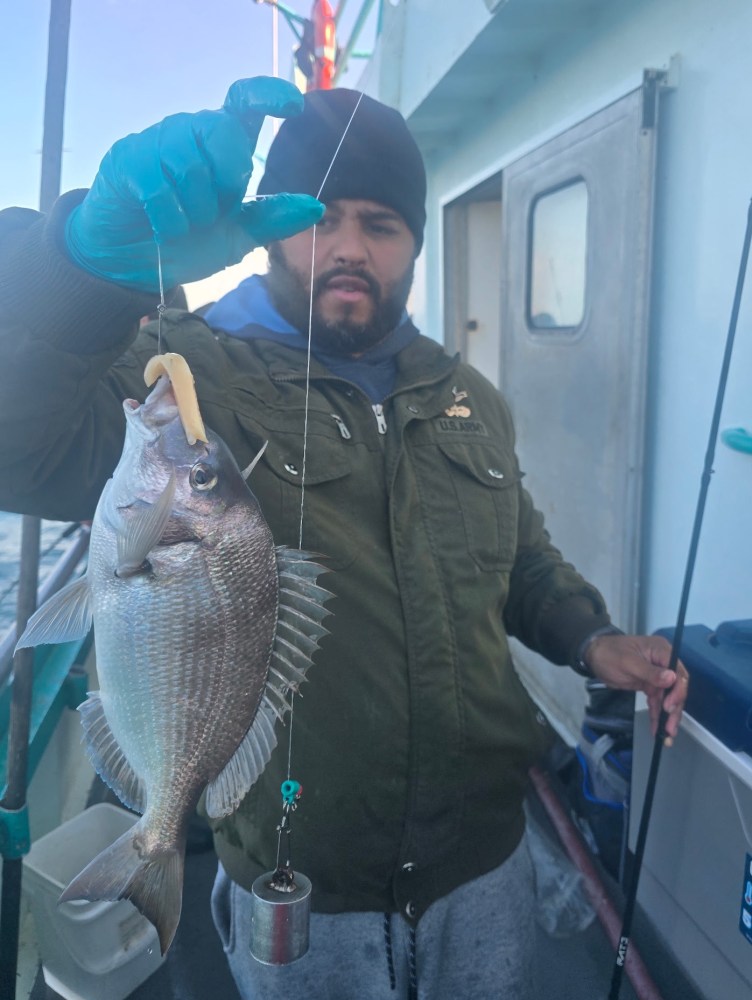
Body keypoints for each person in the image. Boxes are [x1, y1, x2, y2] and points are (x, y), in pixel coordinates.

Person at [0, 77, 688, 999]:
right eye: (320, 217)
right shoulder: (184, 371)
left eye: (382, 223)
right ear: (274, 227)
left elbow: (521, 558)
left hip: (485, 865)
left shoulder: (466, 396)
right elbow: (21, 441)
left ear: (413, 242)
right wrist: (82, 270)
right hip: (302, 884)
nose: (351, 248)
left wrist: (592, 640)